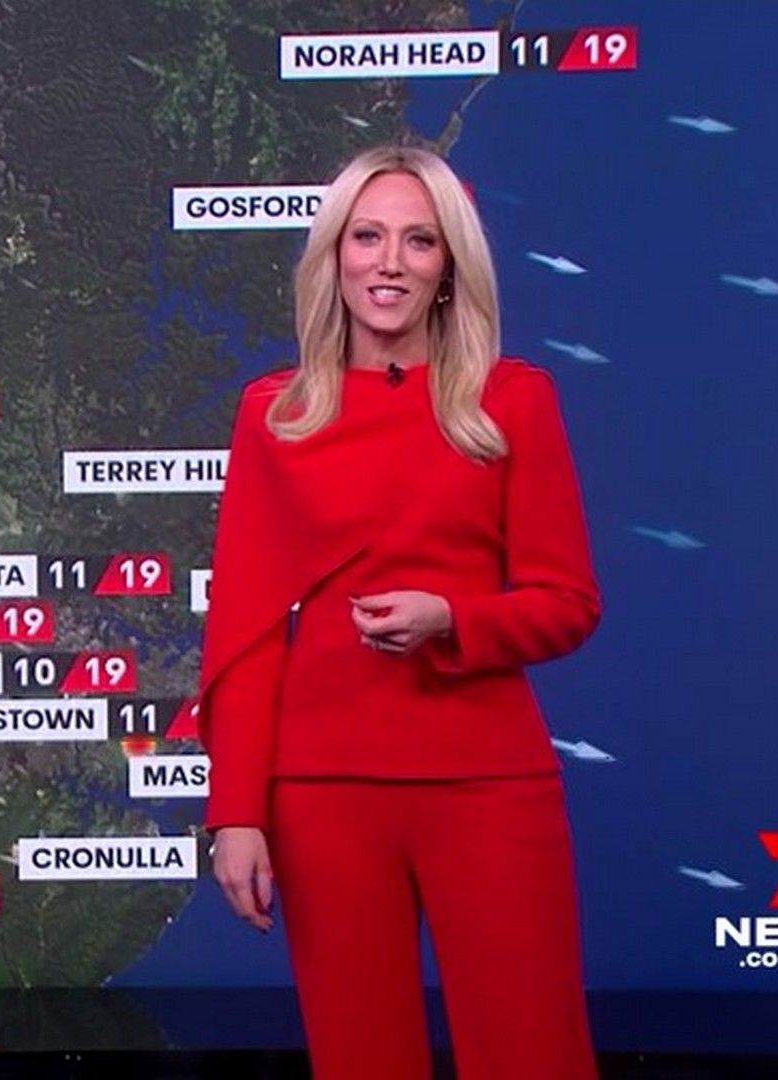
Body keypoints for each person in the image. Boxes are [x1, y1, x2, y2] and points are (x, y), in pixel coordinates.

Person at [196, 144, 602, 1079]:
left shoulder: (510, 402)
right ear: (332, 256)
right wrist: (236, 813)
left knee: (531, 1054)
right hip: (323, 792)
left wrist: (453, 620)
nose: (390, 262)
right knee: (360, 1059)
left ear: (449, 266)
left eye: (419, 241)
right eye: (367, 237)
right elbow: (245, 634)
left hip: (484, 779)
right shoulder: (276, 414)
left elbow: (568, 603)